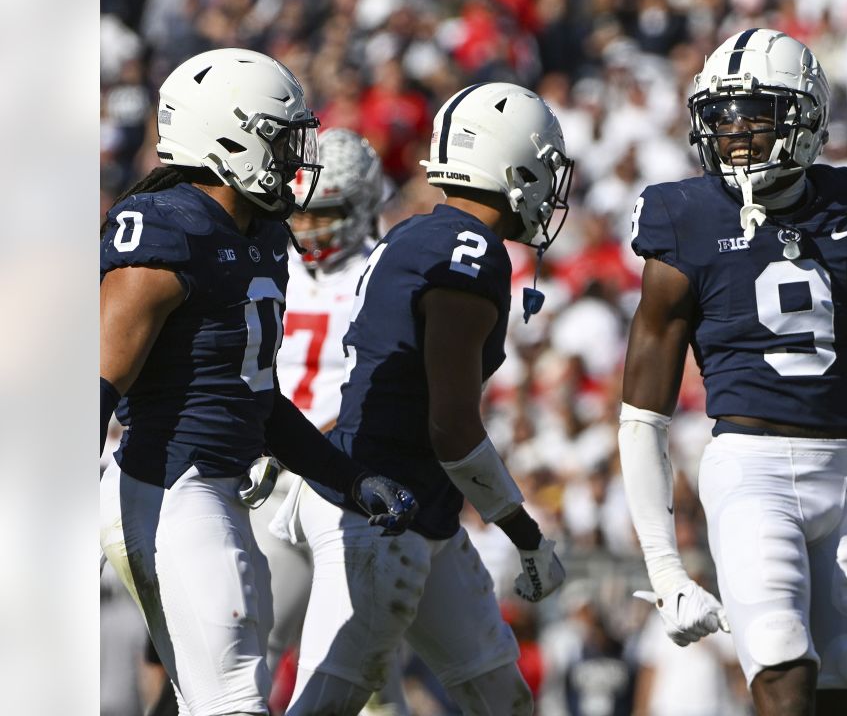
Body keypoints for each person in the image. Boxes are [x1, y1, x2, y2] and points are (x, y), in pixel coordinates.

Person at [617, 29, 847, 716]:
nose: (736, 133)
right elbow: (641, 417)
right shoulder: (682, 219)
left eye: (757, 114)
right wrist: (665, 570)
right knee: (781, 665)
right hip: (750, 471)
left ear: (806, 117)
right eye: (721, 115)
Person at [99, 48, 419, 716]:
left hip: (213, 487)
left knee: (207, 698)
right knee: (236, 699)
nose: (293, 160)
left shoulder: (263, 233)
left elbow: (254, 396)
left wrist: (346, 477)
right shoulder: (167, 229)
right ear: (230, 137)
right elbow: (95, 385)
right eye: (280, 141)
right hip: (169, 486)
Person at [281, 82, 574, 716]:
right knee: (325, 704)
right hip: (381, 509)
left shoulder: (417, 235)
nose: (549, 190)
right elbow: (453, 430)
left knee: (502, 696)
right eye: (543, 170)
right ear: (511, 165)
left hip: (415, 503)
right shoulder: (467, 254)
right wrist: (524, 533)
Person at [247, 127, 412, 713]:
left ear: (363, 202)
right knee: (259, 638)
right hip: (274, 473)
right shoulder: (269, 261)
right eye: (305, 211)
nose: (312, 225)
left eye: (329, 211)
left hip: (346, 475)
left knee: (362, 660)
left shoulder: (382, 274)